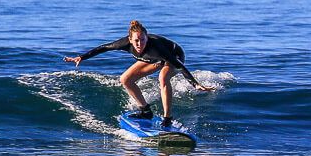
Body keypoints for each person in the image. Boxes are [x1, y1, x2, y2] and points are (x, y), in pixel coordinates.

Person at [64, 20, 214, 127]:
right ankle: (145, 111)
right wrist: (82, 57)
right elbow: (104, 47)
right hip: (152, 59)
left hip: (174, 55)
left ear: (147, 37)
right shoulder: (125, 44)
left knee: (163, 78)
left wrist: (195, 83)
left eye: (142, 40)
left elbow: (179, 66)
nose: (139, 44)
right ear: (130, 40)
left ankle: (167, 118)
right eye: (136, 41)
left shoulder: (156, 48)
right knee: (125, 79)